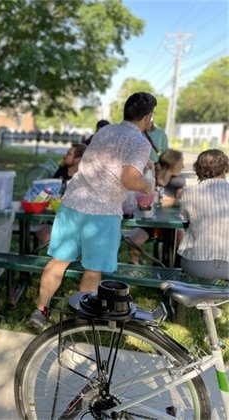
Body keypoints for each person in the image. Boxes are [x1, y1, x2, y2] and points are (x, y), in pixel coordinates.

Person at [30, 92, 156, 330]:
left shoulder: (105, 131)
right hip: (102, 211)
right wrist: (147, 183)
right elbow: (129, 180)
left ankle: (40, 310)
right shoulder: (140, 142)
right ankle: (81, 322)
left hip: (73, 202)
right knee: (92, 270)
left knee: (58, 262)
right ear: (148, 117)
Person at [177, 149, 229, 280]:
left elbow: (182, 219)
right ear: (224, 169)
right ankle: (210, 298)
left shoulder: (189, 192)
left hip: (197, 264)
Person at [127, 148, 185, 264]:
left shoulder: (178, 180)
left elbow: (181, 201)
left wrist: (162, 200)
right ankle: (136, 267)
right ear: (172, 163)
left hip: (170, 224)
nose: (183, 166)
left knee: (181, 236)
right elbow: (141, 197)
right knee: (133, 240)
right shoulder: (151, 176)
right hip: (147, 223)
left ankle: (175, 267)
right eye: (181, 162)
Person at [36, 143, 87, 244]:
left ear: (78, 159)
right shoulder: (61, 171)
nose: (65, 156)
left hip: (75, 220)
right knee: (43, 233)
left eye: (69, 154)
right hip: (54, 218)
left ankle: (62, 256)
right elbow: (50, 190)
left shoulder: (85, 176)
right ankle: (58, 257)